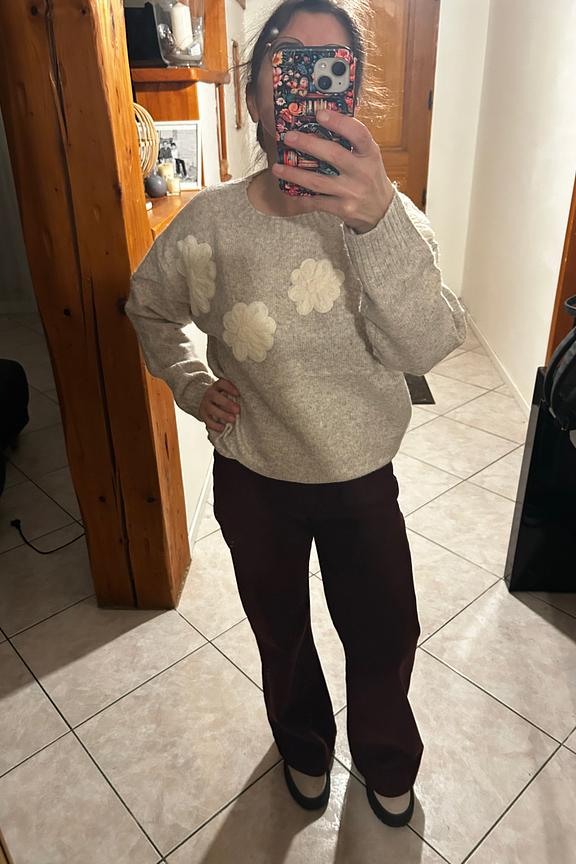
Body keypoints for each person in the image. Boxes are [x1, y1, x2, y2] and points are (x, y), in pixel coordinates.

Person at [125, 0, 467, 829]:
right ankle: (304, 744)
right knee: (279, 632)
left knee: (384, 633)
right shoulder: (210, 223)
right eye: (287, 61)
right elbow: (148, 306)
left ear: (351, 92)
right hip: (254, 474)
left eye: (330, 68)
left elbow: (429, 343)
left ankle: (387, 758)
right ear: (255, 92)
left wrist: (379, 221)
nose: (306, 86)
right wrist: (189, 381)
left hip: (360, 476)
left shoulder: (387, 218)